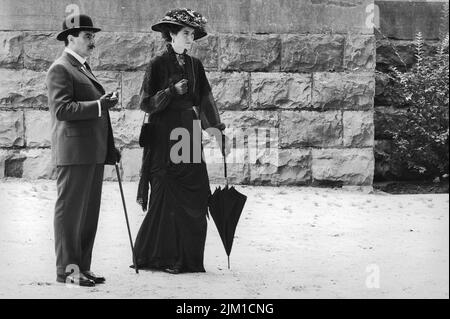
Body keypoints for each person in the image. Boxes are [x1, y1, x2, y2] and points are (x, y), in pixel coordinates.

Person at [134, 8, 226, 274]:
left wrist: (217, 130)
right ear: (171, 34)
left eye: (192, 35)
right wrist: (170, 92)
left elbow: (206, 99)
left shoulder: (196, 65)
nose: (190, 39)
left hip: (188, 133)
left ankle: (189, 259)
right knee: (167, 195)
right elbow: (145, 103)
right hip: (164, 135)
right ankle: (162, 258)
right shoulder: (157, 64)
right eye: (185, 33)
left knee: (196, 193)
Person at [46, 13, 120, 286]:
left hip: (91, 152)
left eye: (93, 36)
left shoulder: (82, 67)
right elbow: (62, 110)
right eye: (87, 36)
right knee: (70, 213)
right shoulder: (60, 68)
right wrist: (100, 105)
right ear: (70, 38)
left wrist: (109, 147)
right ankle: (68, 271)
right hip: (74, 154)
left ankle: (82, 267)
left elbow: (95, 113)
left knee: (87, 214)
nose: (92, 41)